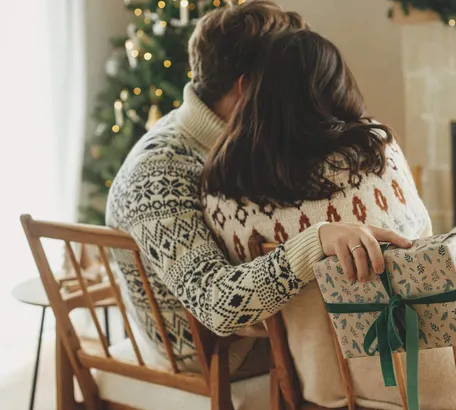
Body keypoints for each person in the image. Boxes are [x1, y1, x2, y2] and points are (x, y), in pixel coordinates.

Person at [201, 29, 456, 409]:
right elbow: (420, 246)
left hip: (327, 383)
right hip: (434, 377)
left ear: (255, 92)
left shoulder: (222, 188)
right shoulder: (370, 152)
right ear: (334, 87)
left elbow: (254, 315)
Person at [105, 1, 412, 378]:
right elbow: (216, 304)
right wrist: (316, 241)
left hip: (260, 329)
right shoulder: (158, 173)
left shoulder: (243, 146)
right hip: (215, 353)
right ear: (249, 87)